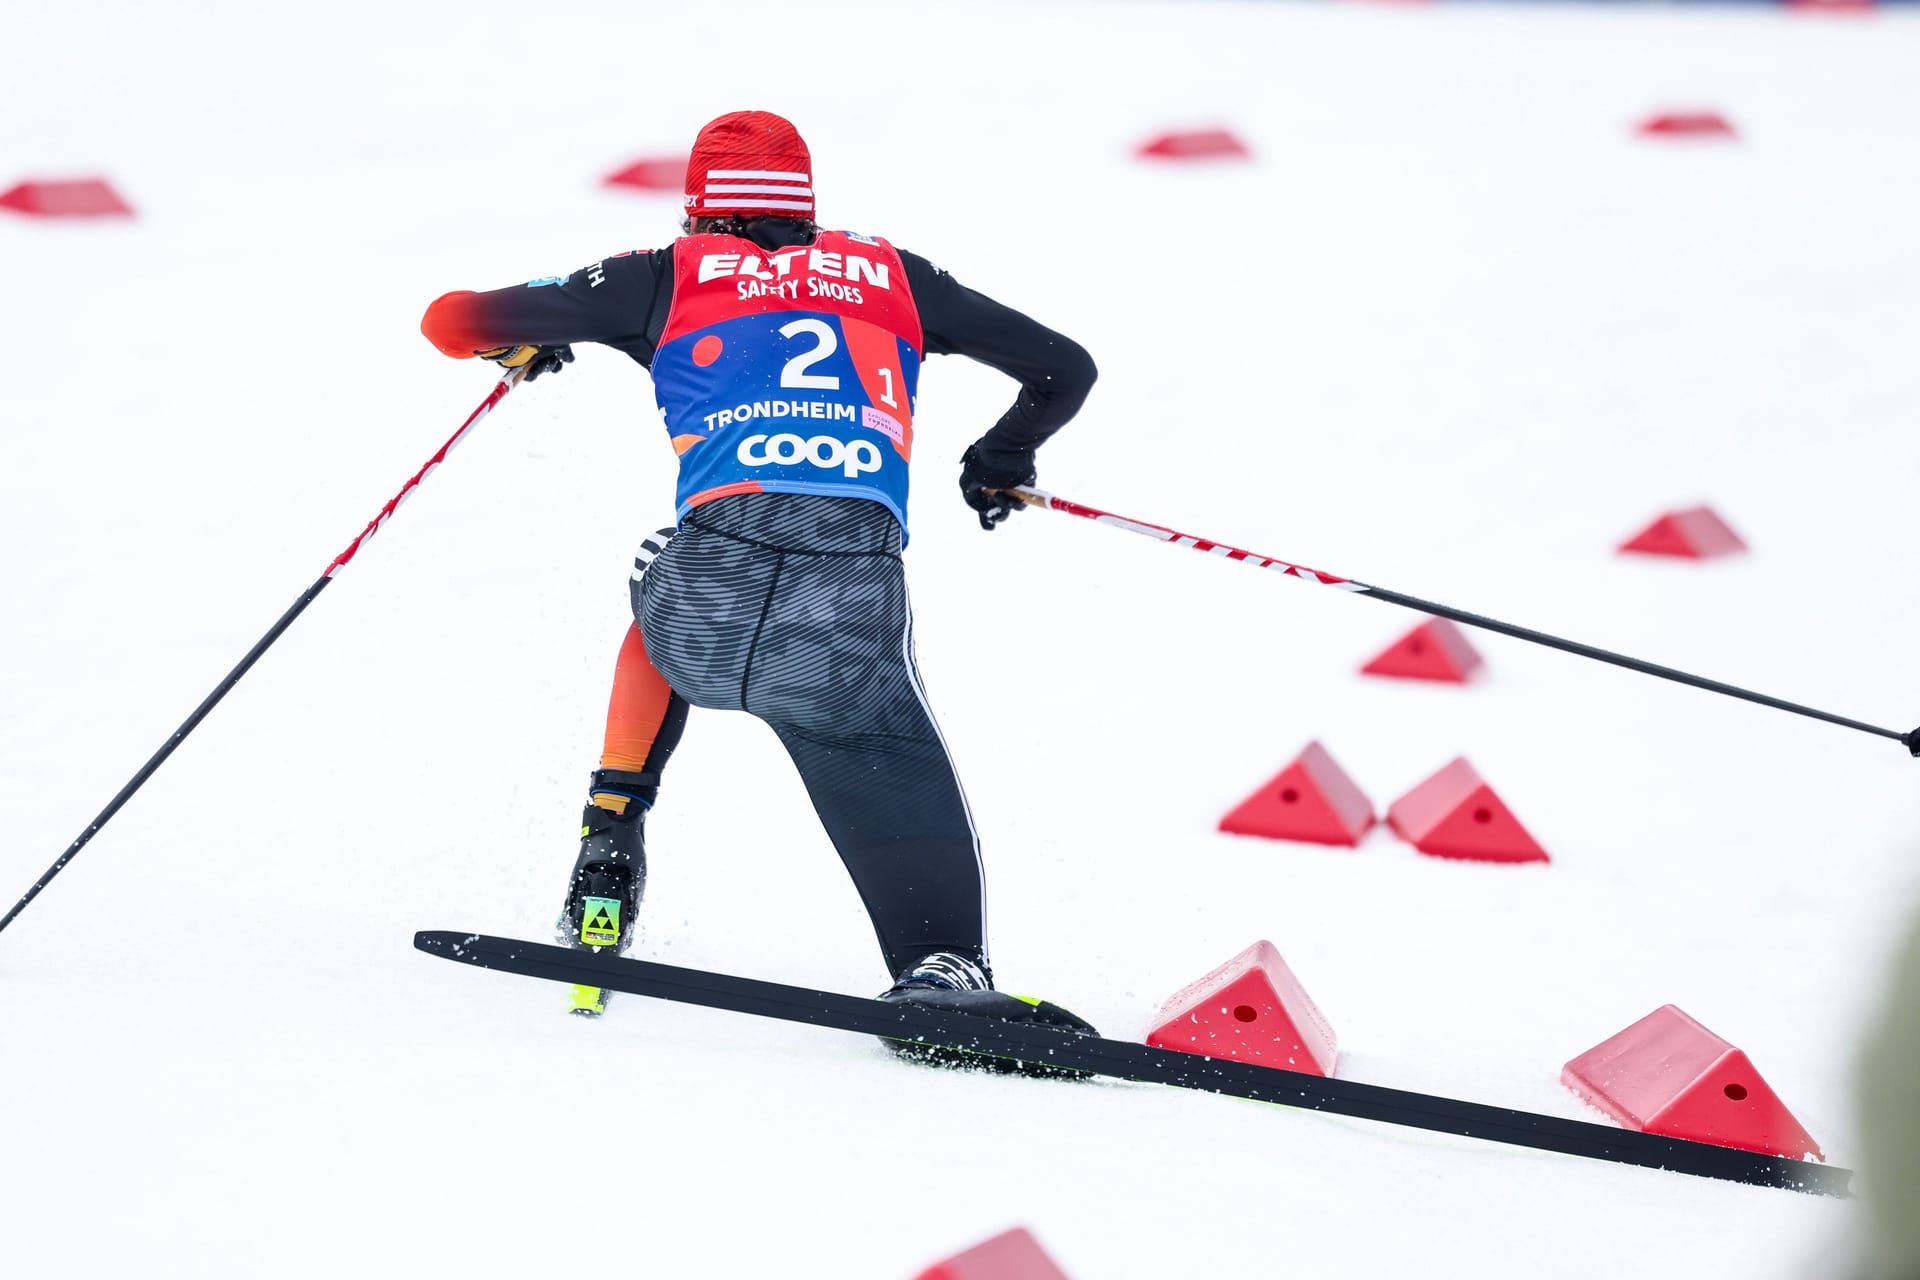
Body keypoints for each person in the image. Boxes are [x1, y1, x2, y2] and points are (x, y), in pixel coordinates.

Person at [420, 111, 1098, 1054]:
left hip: (708, 596)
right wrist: (997, 457)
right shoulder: (896, 277)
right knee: (891, 754)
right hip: (847, 603)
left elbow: (450, 320)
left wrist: (521, 344)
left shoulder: (658, 274)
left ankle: (613, 825)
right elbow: (1066, 368)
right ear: (805, 203)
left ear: (701, 205)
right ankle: (942, 970)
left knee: (657, 571)